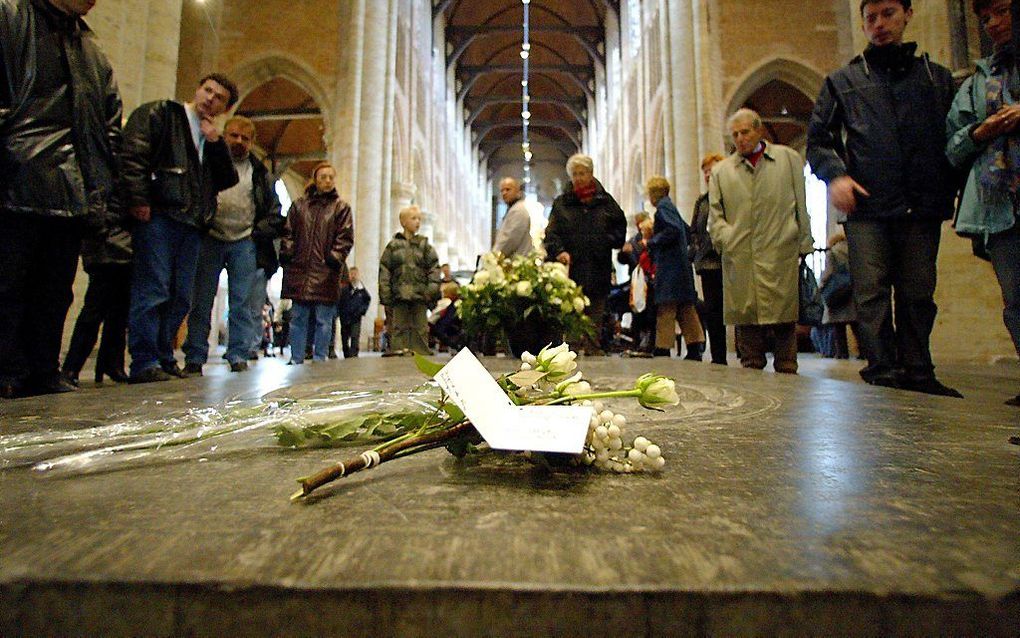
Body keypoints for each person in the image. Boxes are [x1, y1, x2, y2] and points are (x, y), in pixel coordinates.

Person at [807, 0, 961, 397]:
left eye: (888, 14)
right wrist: (835, 176)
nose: (879, 25)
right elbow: (818, 139)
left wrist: (951, 187)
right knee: (871, 291)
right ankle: (882, 368)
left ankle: (918, 368)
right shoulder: (843, 80)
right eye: (871, 18)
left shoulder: (936, 78)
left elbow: (955, 136)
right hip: (867, 206)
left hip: (921, 201)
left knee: (917, 290)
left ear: (908, 14)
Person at [0, 0, 123, 399]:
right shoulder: (11, 15)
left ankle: (43, 368)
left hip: (71, 186)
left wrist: (99, 189)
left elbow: (108, 123)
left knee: (55, 288)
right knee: (8, 282)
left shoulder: (89, 48)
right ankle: (6, 367)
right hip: (15, 175)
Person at [121, 73, 240, 383]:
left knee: (180, 296)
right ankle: (144, 361)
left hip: (192, 223)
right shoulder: (160, 114)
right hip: (159, 215)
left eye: (219, 98)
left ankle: (163, 356)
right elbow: (133, 156)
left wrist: (215, 144)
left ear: (224, 108)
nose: (210, 98)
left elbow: (227, 179)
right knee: (154, 288)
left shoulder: (211, 135)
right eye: (207, 90)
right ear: (197, 89)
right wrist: (138, 199)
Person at [946, 0, 1020, 405]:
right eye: (986, 17)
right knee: (1016, 302)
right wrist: (980, 131)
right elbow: (952, 144)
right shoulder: (978, 80)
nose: (993, 23)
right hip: (1000, 206)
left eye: (1002, 11)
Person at [710, 108, 815, 374]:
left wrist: (803, 243)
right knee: (747, 319)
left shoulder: (788, 160)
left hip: (780, 249)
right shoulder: (722, 171)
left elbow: (800, 205)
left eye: (745, 132)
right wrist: (726, 239)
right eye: (735, 134)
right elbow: (715, 216)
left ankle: (787, 367)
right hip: (741, 254)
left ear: (758, 131)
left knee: (783, 317)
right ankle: (751, 367)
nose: (740, 139)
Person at [181, 116, 283, 376]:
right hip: (210, 237)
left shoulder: (260, 174)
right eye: (234, 135)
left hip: (244, 241)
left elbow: (274, 210)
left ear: (252, 143)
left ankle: (237, 354)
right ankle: (194, 355)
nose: (238, 141)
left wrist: (255, 233)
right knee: (201, 300)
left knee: (242, 303)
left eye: (245, 138)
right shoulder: (208, 162)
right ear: (225, 135)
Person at [543, 153, 627, 355]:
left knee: (596, 310)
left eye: (583, 173)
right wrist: (560, 251)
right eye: (575, 174)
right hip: (573, 268)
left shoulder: (605, 202)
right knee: (572, 309)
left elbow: (619, 227)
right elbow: (552, 233)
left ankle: (593, 347)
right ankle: (570, 349)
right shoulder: (562, 203)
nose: (579, 178)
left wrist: (606, 240)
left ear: (591, 174)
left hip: (598, 265)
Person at [280, 162, 354, 364]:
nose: (328, 180)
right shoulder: (299, 206)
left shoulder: (341, 208)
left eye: (331, 177)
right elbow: (288, 232)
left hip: (326, 272)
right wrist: (288, 253)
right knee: (298, 319)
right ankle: (296, 358)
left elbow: (345, 237)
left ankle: (320, 360)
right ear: (315, 179)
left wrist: (333, 258)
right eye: (323, 177)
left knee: (324, 320)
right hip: (300, 269)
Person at [61, 213, 132, 386]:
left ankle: (110, 363)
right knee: (95, 309)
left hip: (124, 239)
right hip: (105, 239)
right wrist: (101, 227)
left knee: (119, 310)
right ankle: (73, 366)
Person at [645, 176, 705, 360]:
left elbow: (674, 230)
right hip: (681, 266)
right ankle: (695, 346)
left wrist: (653, 242)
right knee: (686, 308)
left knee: (666, 308)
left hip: (670, 267)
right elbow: (686, 230)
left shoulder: (662, 208)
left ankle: (663, 348)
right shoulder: (671, 207)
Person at [379, 205, 441, 355]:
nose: (418, 222)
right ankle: (399, 353)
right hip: (399, 295)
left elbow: (434, 268)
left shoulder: (424, 245)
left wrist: (431, 289)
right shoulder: (393, 246)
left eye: (419, 219)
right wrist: (385, 293)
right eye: (414, 218)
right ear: (403, 222)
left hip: (420, 295)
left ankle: (421, 355)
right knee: (398, 327)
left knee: (420, 328)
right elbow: (385, 270)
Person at [689, 153, 728, 365]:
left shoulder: (731, 196)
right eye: (704, 171)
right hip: (708, 263)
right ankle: (719, 357)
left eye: (710, 170)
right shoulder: (702, 201)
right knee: (713, 311)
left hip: (729, 260)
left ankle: (746, 353)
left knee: (734, 310)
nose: (707, 175)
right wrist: (697, 248)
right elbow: (695, 229)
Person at [819, 231, 858, 359]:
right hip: (851, 290)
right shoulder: (853, 250)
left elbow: (828, 273)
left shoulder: (832, 253)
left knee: (838, 327)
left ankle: (842, 353)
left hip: (837, 292)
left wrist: (820, 286)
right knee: (856, 325)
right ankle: (864, 351)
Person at [619, 211, 654, 353]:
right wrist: (624, 252)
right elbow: (624, 259)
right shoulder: (634, 240)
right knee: (636, 312)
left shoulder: (651, 240)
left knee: (648, 314)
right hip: (636, 281)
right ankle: (637, 341)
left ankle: (647, 343)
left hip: (648, 281)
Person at [492, 177, 533, 257]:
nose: (504, 193)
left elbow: (509, 240)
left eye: (508, 189)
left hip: (516, 262)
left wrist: (494, 257)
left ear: (518, 191)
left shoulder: (518, 211)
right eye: (502, 190)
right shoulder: (512, 210)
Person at [337, 266, 371, 358]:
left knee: (355, 336)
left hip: (356, 316)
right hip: (345, 316)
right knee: (344, 336)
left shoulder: (361, 289)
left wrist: (362, 311)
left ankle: (354, 354)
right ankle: (346, 353)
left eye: (355, 274)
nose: (353, 276)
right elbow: (339, 301)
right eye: (351, 274)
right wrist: (339, 313)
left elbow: (367, 300)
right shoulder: (344, 289)